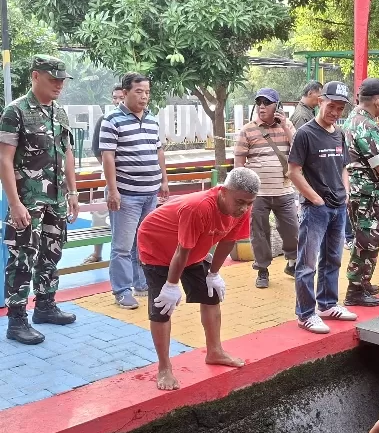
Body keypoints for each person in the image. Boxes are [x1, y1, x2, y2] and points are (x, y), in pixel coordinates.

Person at [137, 167, 258, 390]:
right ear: (223, 191)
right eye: (240, 201)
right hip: (157, 245)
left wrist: (214, 273)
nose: (244, 208)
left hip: (191, 248)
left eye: (249, 203)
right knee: (162, 306)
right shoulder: (199, 207)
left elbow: (228, 242)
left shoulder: (242, 209)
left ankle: (214, 351)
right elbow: (182, 250)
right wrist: (171, 285)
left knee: (211, 296)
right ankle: (164, 368)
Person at [0, 55, 79, 344]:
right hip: (28, 201)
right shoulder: (15, 111)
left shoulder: (60, 113)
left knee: (51, 253)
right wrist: (15, 202)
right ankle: (17, 319)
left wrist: (73, 191)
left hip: (56, 199)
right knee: (22, 257)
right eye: (53, 78)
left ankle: (45, 306)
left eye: (62, 80)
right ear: (36, 76)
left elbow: (67, 153)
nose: (59, 84)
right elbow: (4, 160)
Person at [288, 81, 356, 334]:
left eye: (340, 108)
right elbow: (293, 172)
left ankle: (327, 304)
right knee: (307, 263)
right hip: (315, 208)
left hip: (338, 206)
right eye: (331, 106)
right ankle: (306, 313)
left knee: (333, 258)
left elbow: (343, 167)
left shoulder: (339, 133)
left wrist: (346, 192)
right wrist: (314, 198)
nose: (335, 112)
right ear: (320, 102)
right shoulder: (305, 133)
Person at [100, 72, 169, 310]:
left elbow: (158, 151)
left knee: (143, 242)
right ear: (126, 92)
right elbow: (107, 156)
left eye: (147, 92)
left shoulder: (152, 120)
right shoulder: (112, 120)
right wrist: (112, 189)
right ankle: (121, 290)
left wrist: (164, 181)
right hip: (126, 194)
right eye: (139, 92)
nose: (144, 97)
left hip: (150, 192)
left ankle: (142, 284)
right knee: (122, 245)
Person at [343, 78, 379, 306]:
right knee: (367, 241)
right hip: (369, 193)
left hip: (363, 192)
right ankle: (355, 290)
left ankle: (363, 282)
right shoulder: (365, 125)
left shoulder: (352, 120)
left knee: (365, 238)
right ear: (376, 100)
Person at [234, 88, 298, 288]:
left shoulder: (287, 127)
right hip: (258, 194)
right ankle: (262, 270)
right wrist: (242, 192)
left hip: (284, 191)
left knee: (292, 230)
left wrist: (287, 126)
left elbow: (299, 151)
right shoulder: (248, 130)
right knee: (259, 232)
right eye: (259, 102)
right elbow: (239, 163)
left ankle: (293, 262)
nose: (262, 106)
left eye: (267, 103)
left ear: (277, 106)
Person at [83, 85, 125, 265]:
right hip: (111, 180)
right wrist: (110, 171)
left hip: (133, 182)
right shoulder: (105, 120)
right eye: (115, 98)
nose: (117, 101)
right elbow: (96, 149)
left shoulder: (143, 119)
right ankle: (96, 253)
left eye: (120, 97)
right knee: (100, 214)